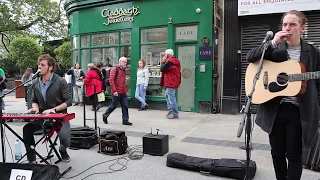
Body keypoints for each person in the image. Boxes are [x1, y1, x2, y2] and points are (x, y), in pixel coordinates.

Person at [246, 10, 320, 180]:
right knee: (277, 153)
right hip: (275, 109)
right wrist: (272, 42)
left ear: (303, 28)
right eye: (285, 24)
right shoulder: (274, 48)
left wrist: (318, 106)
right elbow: (251, 57)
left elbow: (318, 84)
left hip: (299, 111)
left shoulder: (313, 53)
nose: (288, 28)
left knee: (294, 155)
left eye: (292, 24)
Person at [24, 54, 72, 164]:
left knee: (65, 140)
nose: (39, 67)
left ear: (50, 67)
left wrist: (54, 109)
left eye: (42, 65)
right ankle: (32, 159)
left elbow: (68, 101)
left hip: (59, 117)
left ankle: (62, 149)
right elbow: (34, 99)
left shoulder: (60, 81)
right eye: (38, 64)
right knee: (27, 129)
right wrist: (35, 108)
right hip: (42, 117)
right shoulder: (35, 82)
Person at [102, 57, 132, 125]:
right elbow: (111, 80)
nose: (125, 63)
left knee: (125, 105)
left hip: (123, 91)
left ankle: (125, 120)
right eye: (124, 62)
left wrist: (125, 90)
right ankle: (105, 115)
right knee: (114, 105)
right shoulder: (115, 69)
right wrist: (114, 90)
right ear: (120, 62)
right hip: (117, 91)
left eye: (126, 62)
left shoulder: (123, 70)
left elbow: (123, 81)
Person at [160, 49, 181, 119]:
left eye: (165, 55)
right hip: (171, 82)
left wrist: (163, 61)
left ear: (167, 55)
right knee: (167, 96)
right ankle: (171, 111)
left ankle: (174, 113)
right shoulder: (174, 61)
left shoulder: (170, 62)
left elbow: (162, 68)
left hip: (170, 82)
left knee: (171, 98)